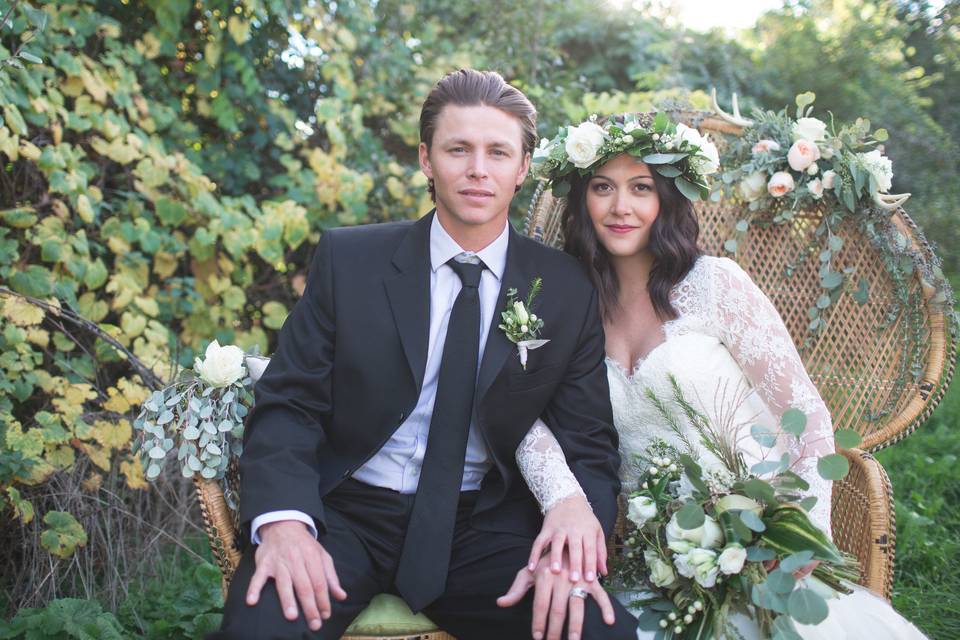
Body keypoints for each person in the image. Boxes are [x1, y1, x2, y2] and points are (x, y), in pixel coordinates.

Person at [212, 70, 638, 640]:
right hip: (344, 516)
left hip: (485, 528)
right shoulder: (350, 261)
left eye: (497, 152)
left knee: (596, 632)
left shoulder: (564, 289)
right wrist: (286, 521)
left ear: (523, 168)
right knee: (261, 630)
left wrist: (574, 529)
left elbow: (588, 442)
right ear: (425, 159)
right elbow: (289, 403)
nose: (477, 169)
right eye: (458, 149)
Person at [502, 112, 928, 639]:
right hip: (648, 561)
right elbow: (523, 411)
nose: (621, 207)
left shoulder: (716, 285)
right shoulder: (568, 303)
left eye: (641, 188)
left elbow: (808, 420)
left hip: (757, 543)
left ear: (668, 200)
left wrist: (799, 541)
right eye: (602, 187)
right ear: (582, 201)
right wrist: (562, 499)